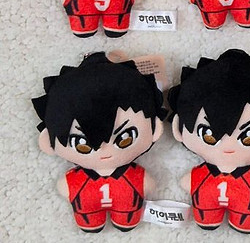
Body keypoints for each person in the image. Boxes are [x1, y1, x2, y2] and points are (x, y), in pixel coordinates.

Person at [33, 52, 165, 232]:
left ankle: (123, 220)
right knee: (90, 219)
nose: (105, 151)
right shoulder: (80, 180)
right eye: (83, 145)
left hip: (128, 206)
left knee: (127, 217)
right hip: (87, 207)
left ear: (155, 129)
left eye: (125, 139)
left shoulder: (134, 176)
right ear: (48, 143)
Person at [169, 49, 250, 233]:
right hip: (206, 205)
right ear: (178, 129)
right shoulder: (201, 175)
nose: (228, 146)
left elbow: (186, 183)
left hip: (248, 208)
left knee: (247, 220)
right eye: (210, 135)